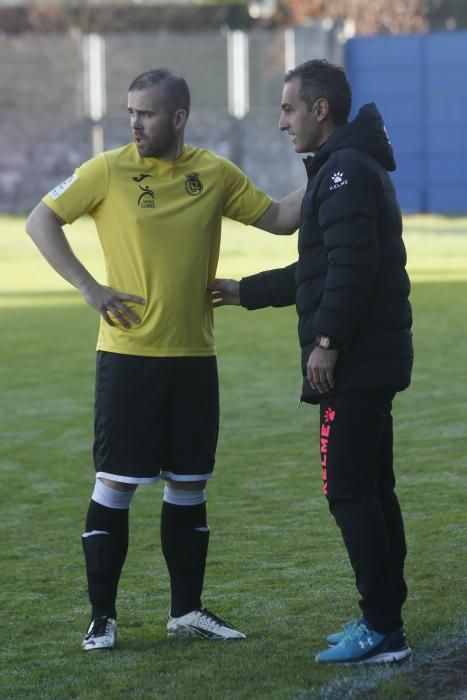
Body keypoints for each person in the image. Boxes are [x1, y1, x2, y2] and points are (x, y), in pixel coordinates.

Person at [25, 68, 304, 651]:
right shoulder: (107, 169)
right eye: (130, 111)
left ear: (178, 117)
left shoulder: (214, 172)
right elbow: (40, 219)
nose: (134, 123)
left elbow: (279, 218)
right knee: (115, 483)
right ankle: (103, 616)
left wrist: (331, 163)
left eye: (146, 113)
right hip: (129, 358)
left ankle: (187, 611)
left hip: (195, 358)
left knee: (189, 486)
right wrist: (88, 287)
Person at [210, 59, 414, 664]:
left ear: (319, 110)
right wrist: (246, 291)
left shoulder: (346, 170)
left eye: (288, 109)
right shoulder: (347, 165)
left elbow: (353, 270)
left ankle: (381, 627)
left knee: (350, 490)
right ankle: (385, 618)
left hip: (354, 363)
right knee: (373, 489)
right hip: (372, 360)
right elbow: (320, 269)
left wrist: (327, 342)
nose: (281, 123)